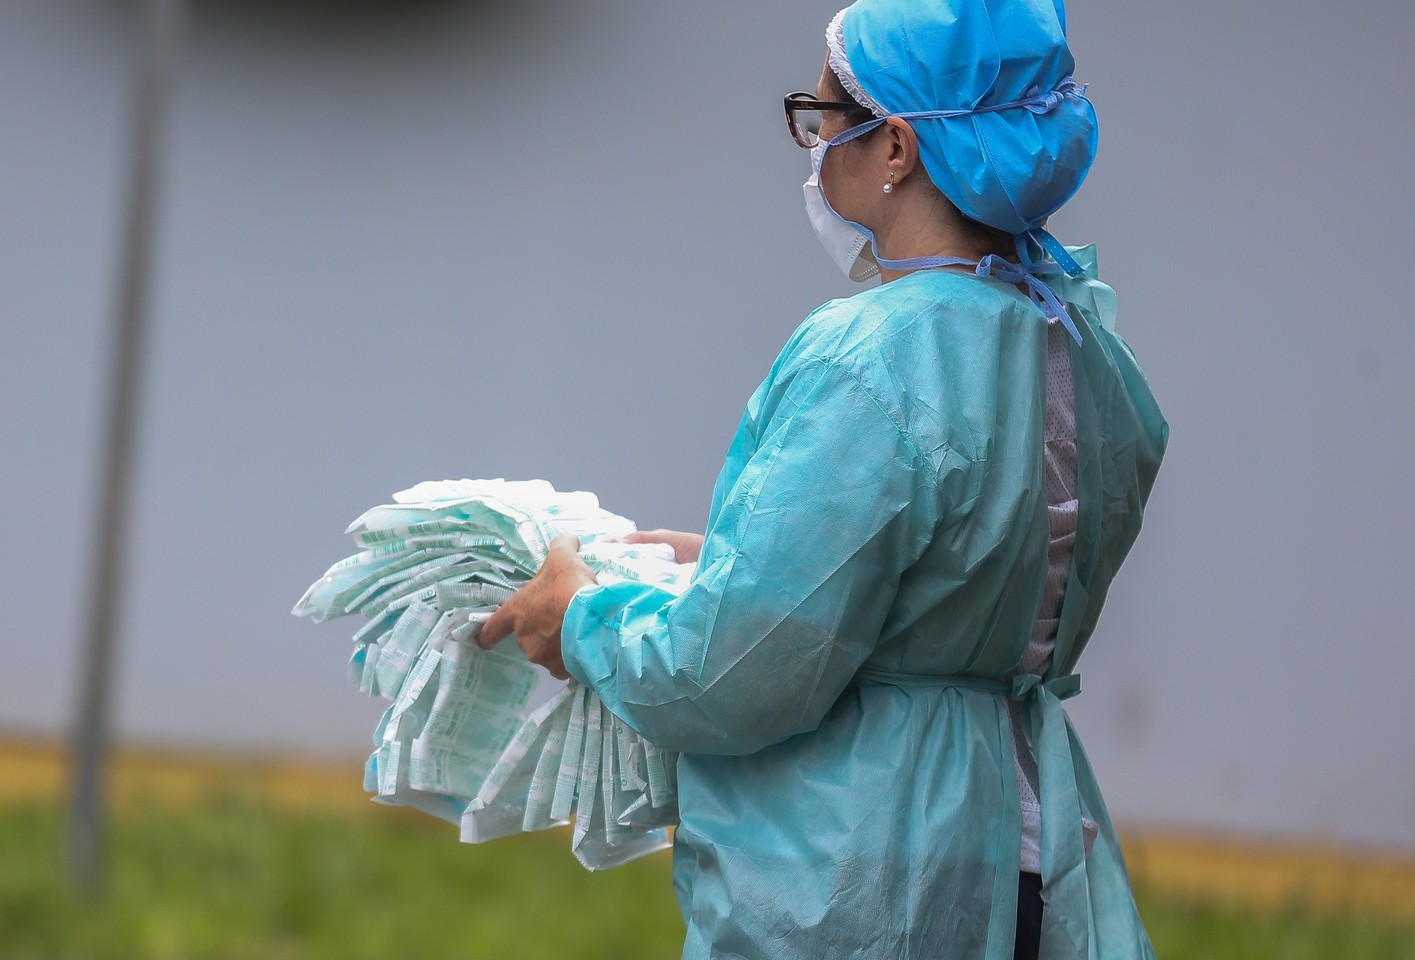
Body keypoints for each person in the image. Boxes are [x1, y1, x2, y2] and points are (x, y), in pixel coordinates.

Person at [480, 1, 1168, 957]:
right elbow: (964, 586)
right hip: (1018, 849)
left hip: (860, 869)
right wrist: (731, 557)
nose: (812, 150)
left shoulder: (870, 358)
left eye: (822, 119)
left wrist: (584, 617)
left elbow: (735, 671)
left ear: (895, 146)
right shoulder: (1085, 355)